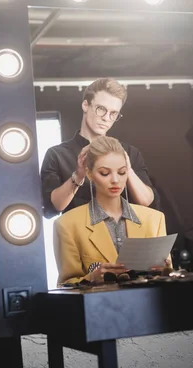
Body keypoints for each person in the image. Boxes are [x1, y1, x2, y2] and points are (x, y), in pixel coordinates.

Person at [53, 136, 169, 286]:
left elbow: (168, 275)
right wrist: (92, 278)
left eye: (121, 172)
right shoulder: (67, 225)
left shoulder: (154, 219)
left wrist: (164, 270)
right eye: (104, 173)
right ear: (89, 174)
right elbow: (65, 285)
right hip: (99, 307)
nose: (115, 180)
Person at [40, 78, 160, 219]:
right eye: (101, 109)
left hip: (125, 238)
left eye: (113, 113)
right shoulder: (57, 155)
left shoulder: (130, 153)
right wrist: (78, 176)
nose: (106, 118)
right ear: (85, 105)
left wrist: (128, 171)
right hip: (78, 238)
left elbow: (147, 202)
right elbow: (51, 207)